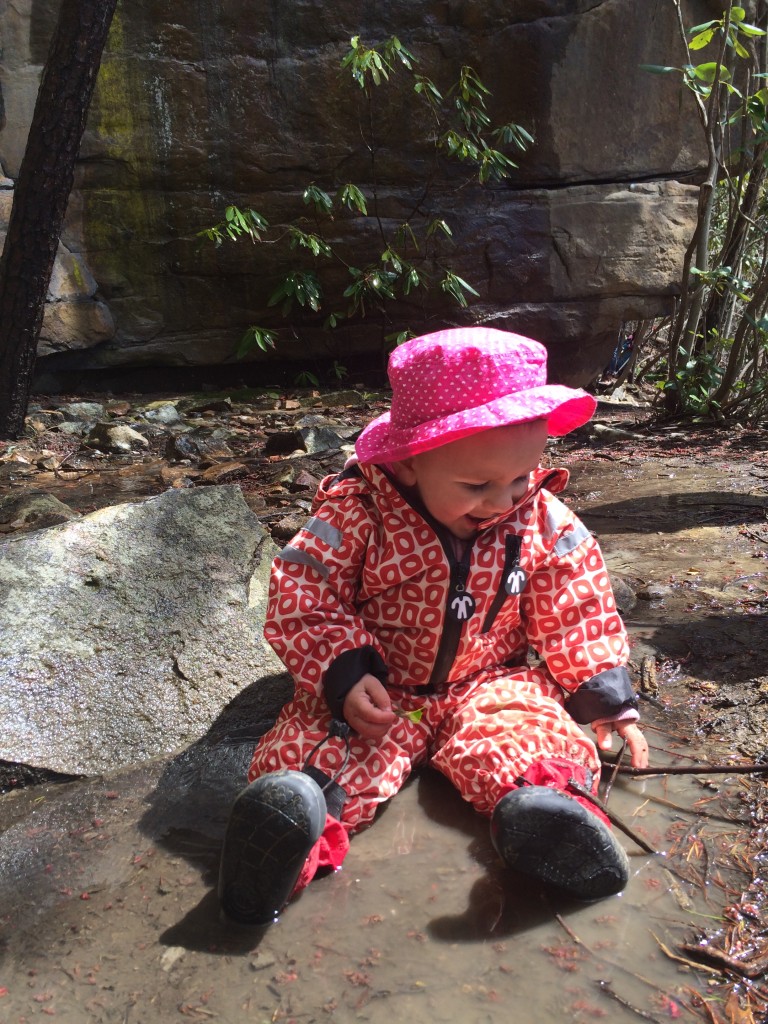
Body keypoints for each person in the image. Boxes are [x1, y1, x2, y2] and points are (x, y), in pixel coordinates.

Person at [217, 327, 649, 926]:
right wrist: (342, 673)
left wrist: (605, 697)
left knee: (529, 734)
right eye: (477, 485)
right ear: (411, 460)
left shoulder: (541, 520)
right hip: (381, 690)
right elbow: (304, 590)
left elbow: (576, 606)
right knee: (324, 746)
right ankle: (294, 834)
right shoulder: (360, 512)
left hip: (490, 683)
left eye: (520, 477)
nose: (504, 499)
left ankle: (548, 816)